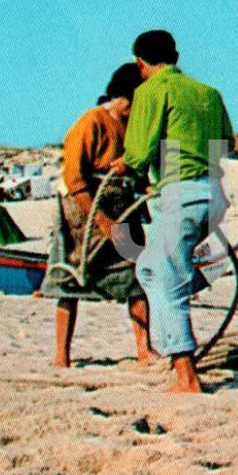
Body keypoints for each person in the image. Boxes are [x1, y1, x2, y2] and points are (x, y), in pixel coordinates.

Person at [123, 29, 234, 394]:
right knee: (151, 269)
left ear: (141, 63)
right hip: (213, 195)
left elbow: (138, 154)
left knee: (166, 279)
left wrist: (124, 166)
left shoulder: (151, 91)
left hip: (179, 195)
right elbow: (225, 146)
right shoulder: (209, 93)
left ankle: (186, 376)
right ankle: (178, 354)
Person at [40, 63, 152, 369]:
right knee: (72, 278)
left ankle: (145, 351)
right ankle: (62, 356)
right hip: (84, 209)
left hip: (122, 207)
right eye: (131, 104)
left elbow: (136, 166)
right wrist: (101, 221)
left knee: (136, 277)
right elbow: (75, 179)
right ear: (119, 97)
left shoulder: (132, 128)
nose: (133, 111)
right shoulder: (89, 123)